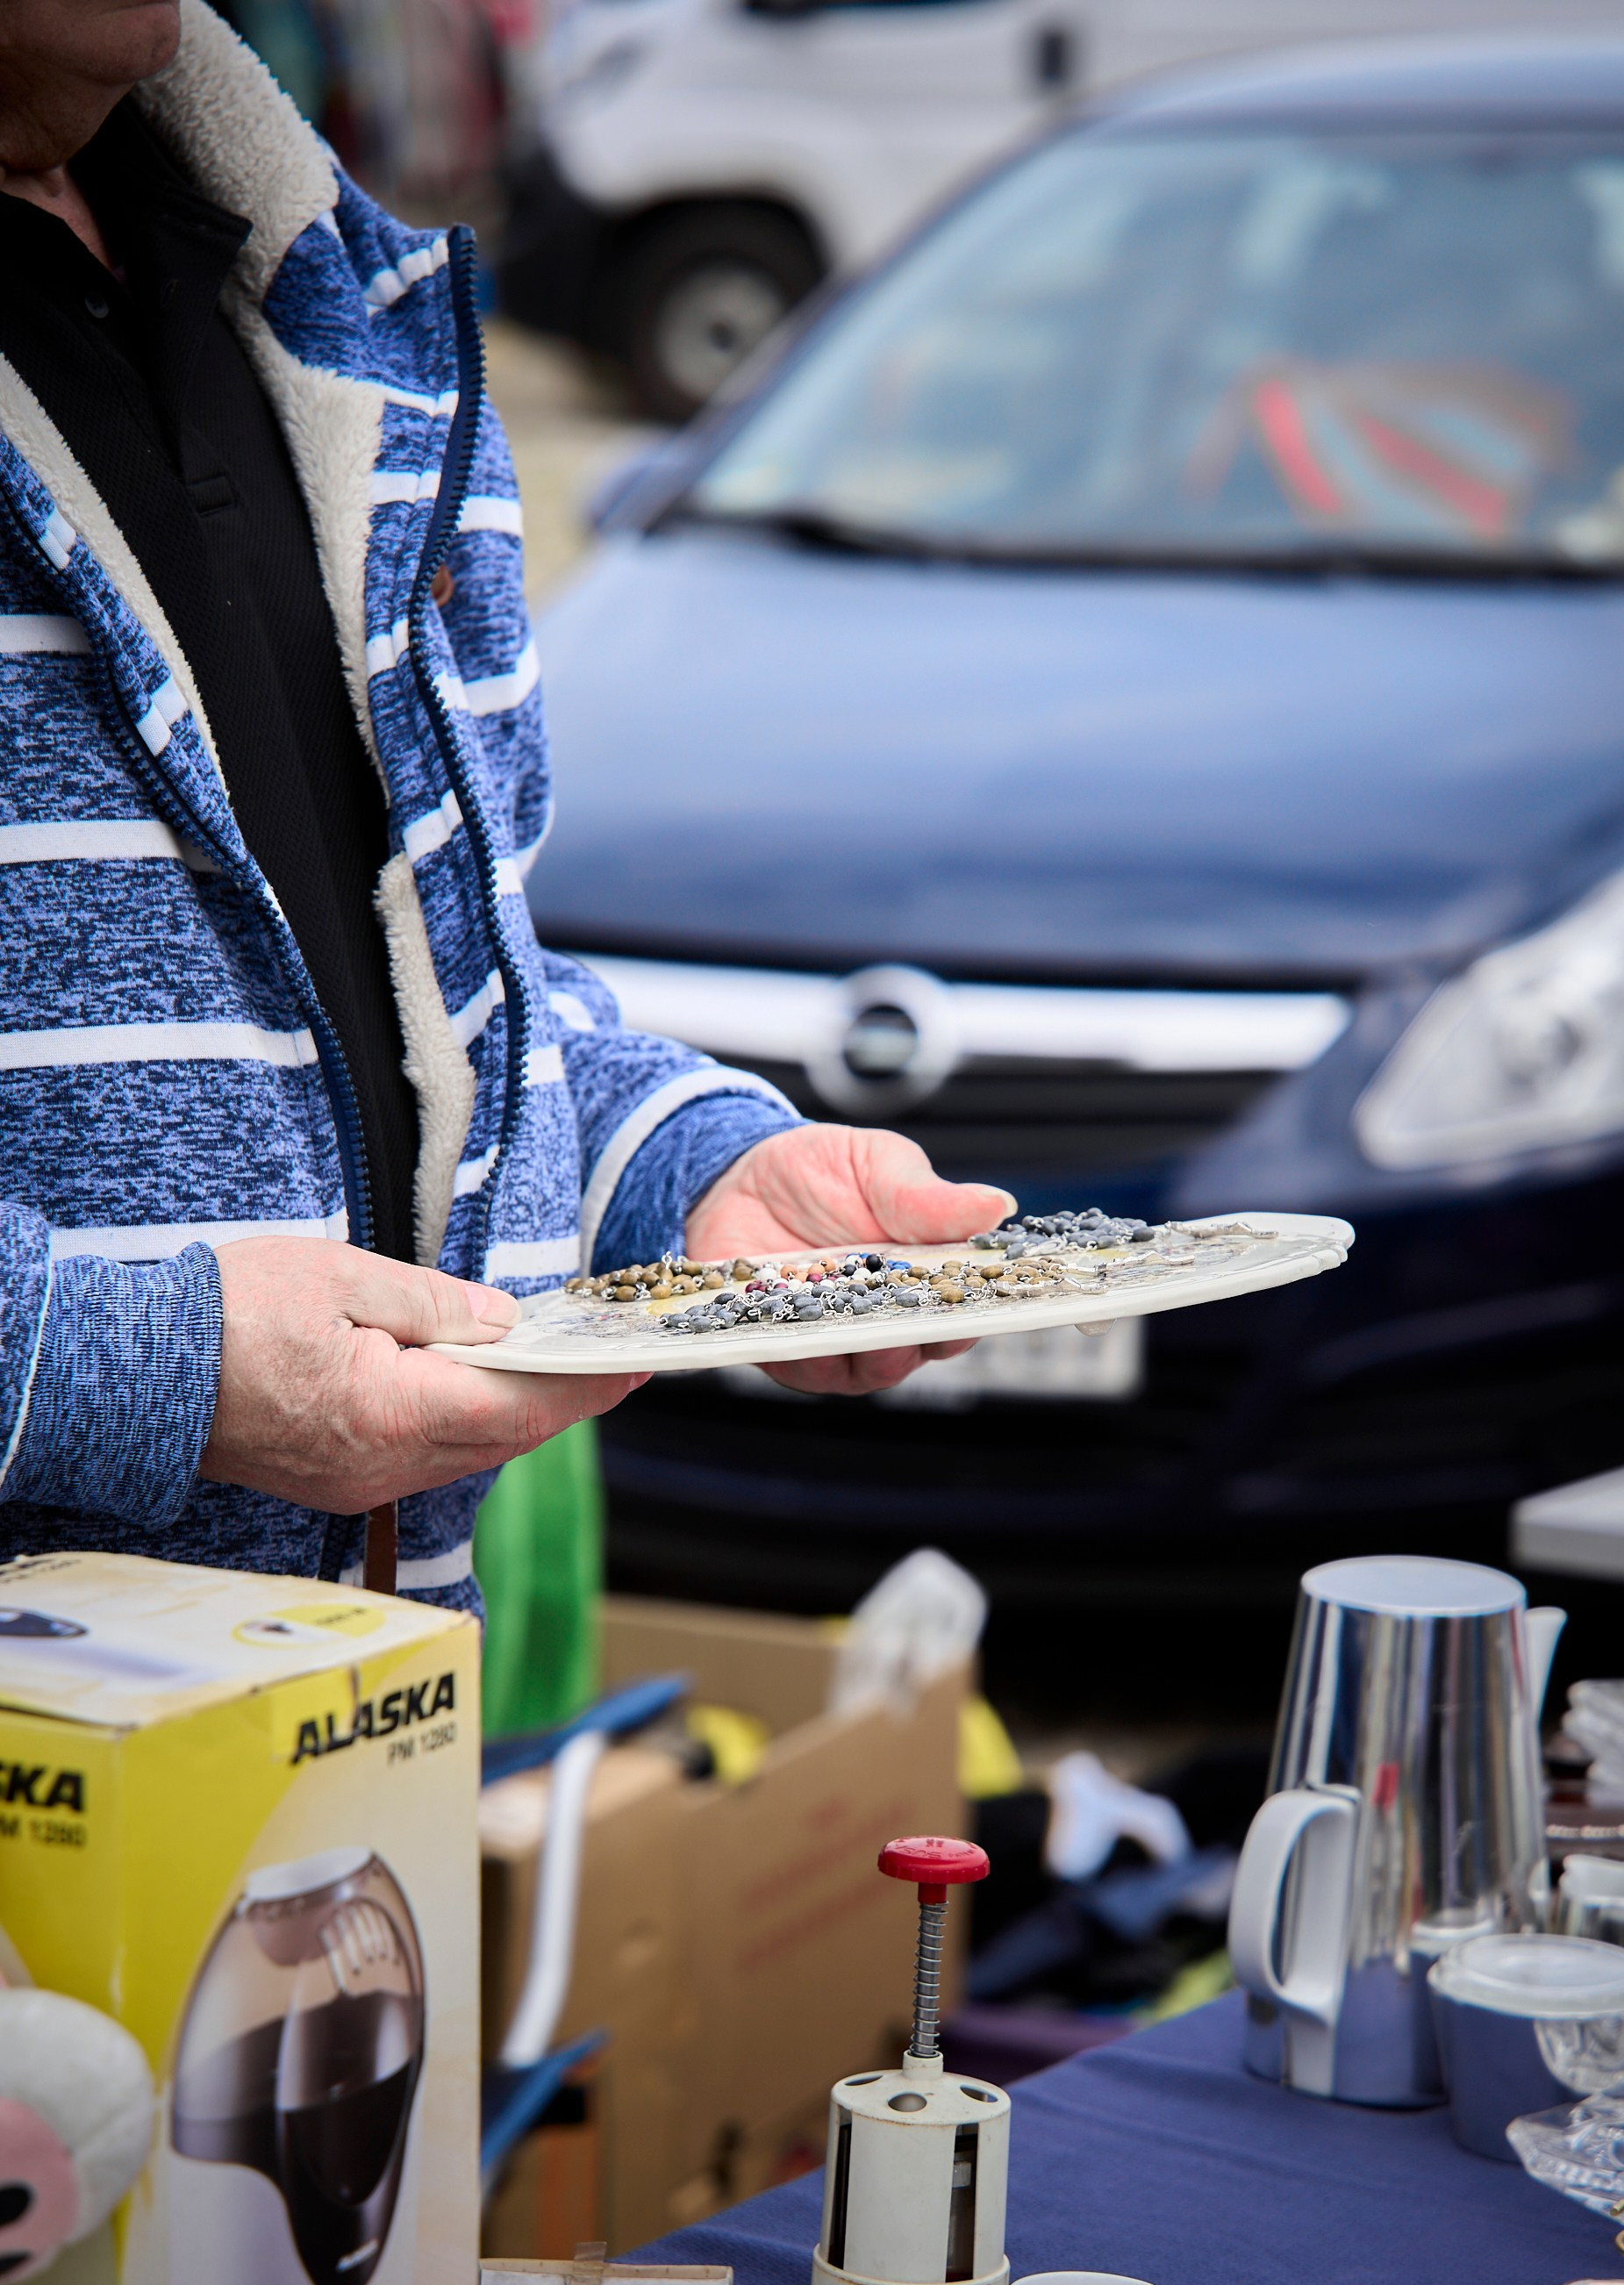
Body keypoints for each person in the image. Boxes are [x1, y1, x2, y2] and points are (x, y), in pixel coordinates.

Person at [0, 0, 1009, 1603]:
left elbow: (439, 1000)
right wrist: (152, 1370)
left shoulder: (325, 300)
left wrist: (684, 1172)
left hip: (344, 1780)